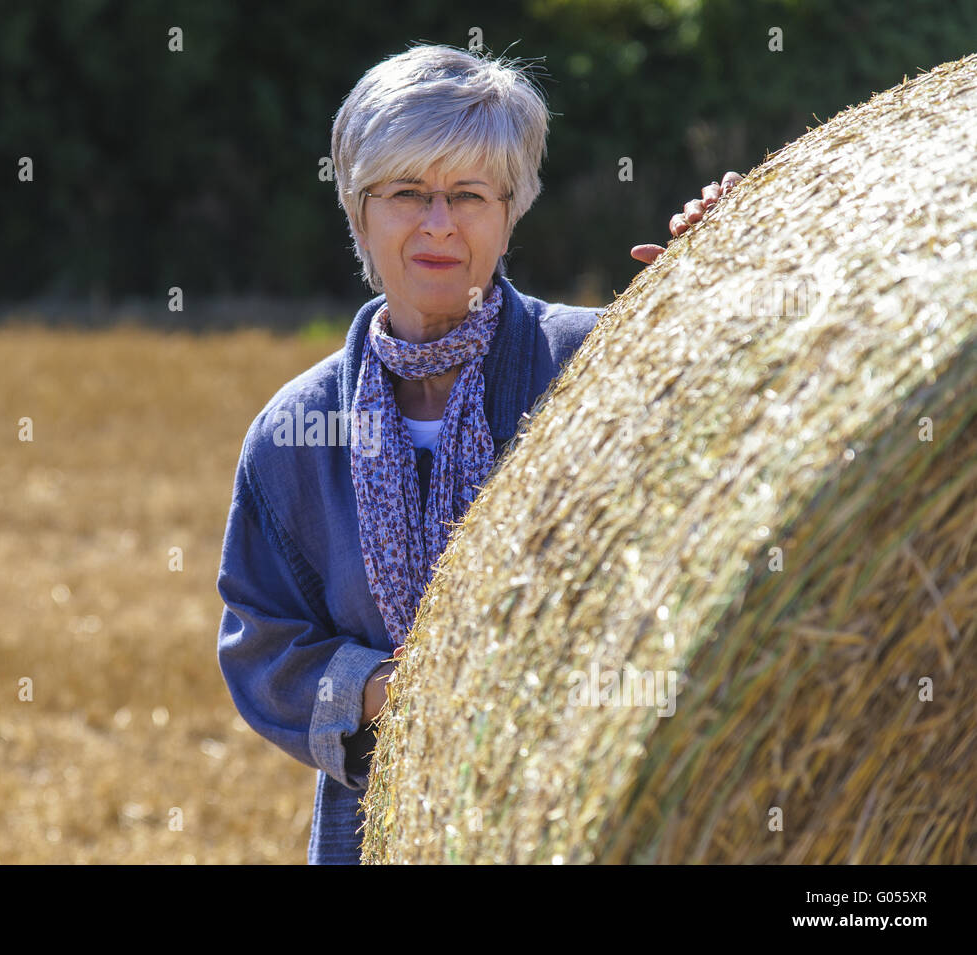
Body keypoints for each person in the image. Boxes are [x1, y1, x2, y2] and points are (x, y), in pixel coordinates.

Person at [215, 42, 739, 865]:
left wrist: (728, 281)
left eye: (467, 194)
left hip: (592, 821)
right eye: (405, 194)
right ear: (358, 210)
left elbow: (728, 482)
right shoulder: (296, 431)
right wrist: (407, 686)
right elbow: (264, 642)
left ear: (510, 208)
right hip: (385, 834)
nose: (437, 223)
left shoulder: (597, 364)